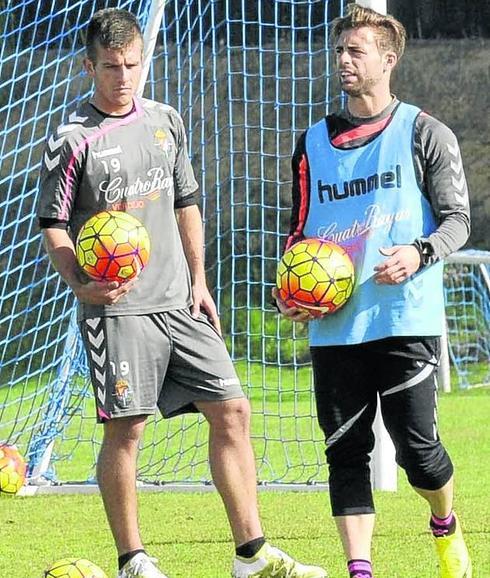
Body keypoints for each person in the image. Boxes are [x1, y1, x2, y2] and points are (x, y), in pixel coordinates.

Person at [37, 8, 328, 578]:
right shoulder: (71, 140)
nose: (124, 76)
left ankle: (252, 555)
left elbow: (185, 202)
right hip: (119, 311)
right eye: (111, 66)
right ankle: (134, 560)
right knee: (128, 428)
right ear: (88, 65)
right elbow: (52, 223)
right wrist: (81, 284)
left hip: (180, 301)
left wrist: (200, 279)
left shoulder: (166, 121)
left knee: (233, 410)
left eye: (133, 64)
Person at [273, 5, 472, 578]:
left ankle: (443, 522)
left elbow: (457, 219)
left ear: (388, 60)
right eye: (340, 50)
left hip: (404, 318)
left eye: (356, 51)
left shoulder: (425, 131)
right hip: (336, 324)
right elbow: (299, 229)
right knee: (345, 451)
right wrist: (290, 288)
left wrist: (418, 253)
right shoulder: (311, 143)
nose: (343, 60)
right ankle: (360, 568)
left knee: (418, 454)